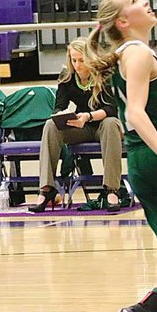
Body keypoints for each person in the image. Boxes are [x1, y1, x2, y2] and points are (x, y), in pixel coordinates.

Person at [84, 0, 157, 312]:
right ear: (123, 21)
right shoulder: (138, 53)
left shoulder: (129, 53)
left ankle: (145, 310)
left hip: (145, 164)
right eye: (134, 0)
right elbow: (136, 116)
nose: (144, 1)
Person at [29, 38, 122, 213]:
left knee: (111, 124)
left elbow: (111, 109)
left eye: (81, 60)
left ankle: (111, 189)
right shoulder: (67, 77)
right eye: (74, 60)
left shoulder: (105, 74)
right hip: (81, 126)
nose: (77, 65)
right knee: (50, 125)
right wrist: (62, 117)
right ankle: (46, 189)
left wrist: (87, 116)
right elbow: (59, 107)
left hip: (102, 122)